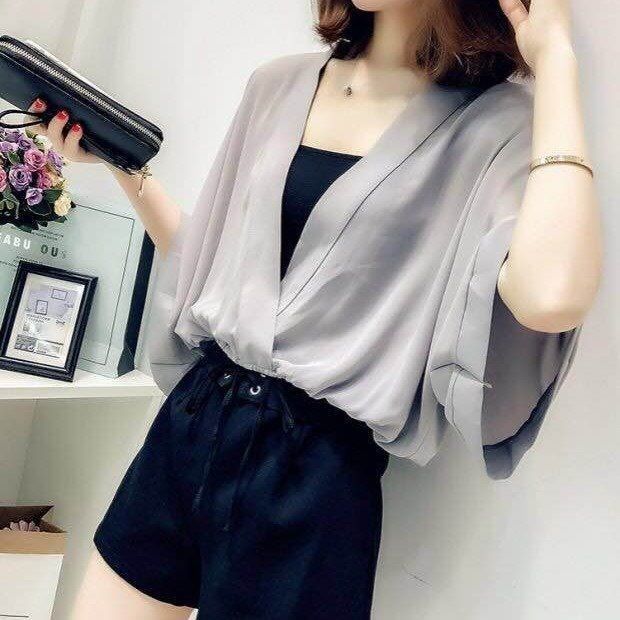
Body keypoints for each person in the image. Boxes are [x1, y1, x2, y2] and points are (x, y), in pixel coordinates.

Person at [31, 1, 601, 618]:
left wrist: (556, 61)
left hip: (314, 475)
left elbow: (551, 298)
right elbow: (208, 269)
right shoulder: (277, 85)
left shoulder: (496, 125)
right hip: (190, 426)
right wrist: (125, 167)